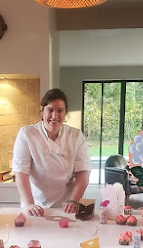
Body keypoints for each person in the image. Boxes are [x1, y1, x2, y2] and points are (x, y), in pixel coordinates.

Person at [12, 88, 91, 216]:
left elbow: (83, 173)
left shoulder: (76, 136)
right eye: (50, 110)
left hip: (67, 206)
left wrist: (73, 201)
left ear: (65, 113)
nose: (55, 116)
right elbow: (21, 172)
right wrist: (30, 204)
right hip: (35, 204)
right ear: (42, 111)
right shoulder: (27, 134)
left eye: (60, 110)